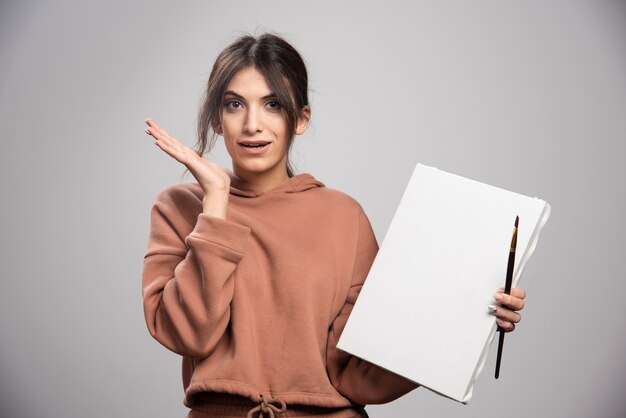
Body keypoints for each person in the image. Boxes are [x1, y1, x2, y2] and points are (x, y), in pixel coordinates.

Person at [141, 33, 526, 418]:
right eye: (234, 104)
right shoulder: (182, 207)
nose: (252, 124)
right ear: (217, 120)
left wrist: (473, 317)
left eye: (272, 104)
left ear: (301, 119)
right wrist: (216, 206)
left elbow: (357, 373)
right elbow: (188, 333)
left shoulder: (344, 217)